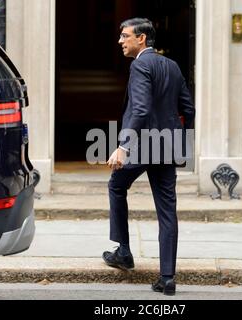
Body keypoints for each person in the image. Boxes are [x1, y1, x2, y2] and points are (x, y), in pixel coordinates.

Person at [102, 18, 195, 296]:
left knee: (116, 186)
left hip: (143, 144)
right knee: (167, 211)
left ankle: (124, 252)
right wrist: (181, 143)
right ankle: (167, 277)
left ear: (141, 39)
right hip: (166, 146)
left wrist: (124, 146)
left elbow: (140, 110)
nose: (121, 41)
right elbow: (188, 109)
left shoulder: (140, 64)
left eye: (125, 36)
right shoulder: (172, 65)